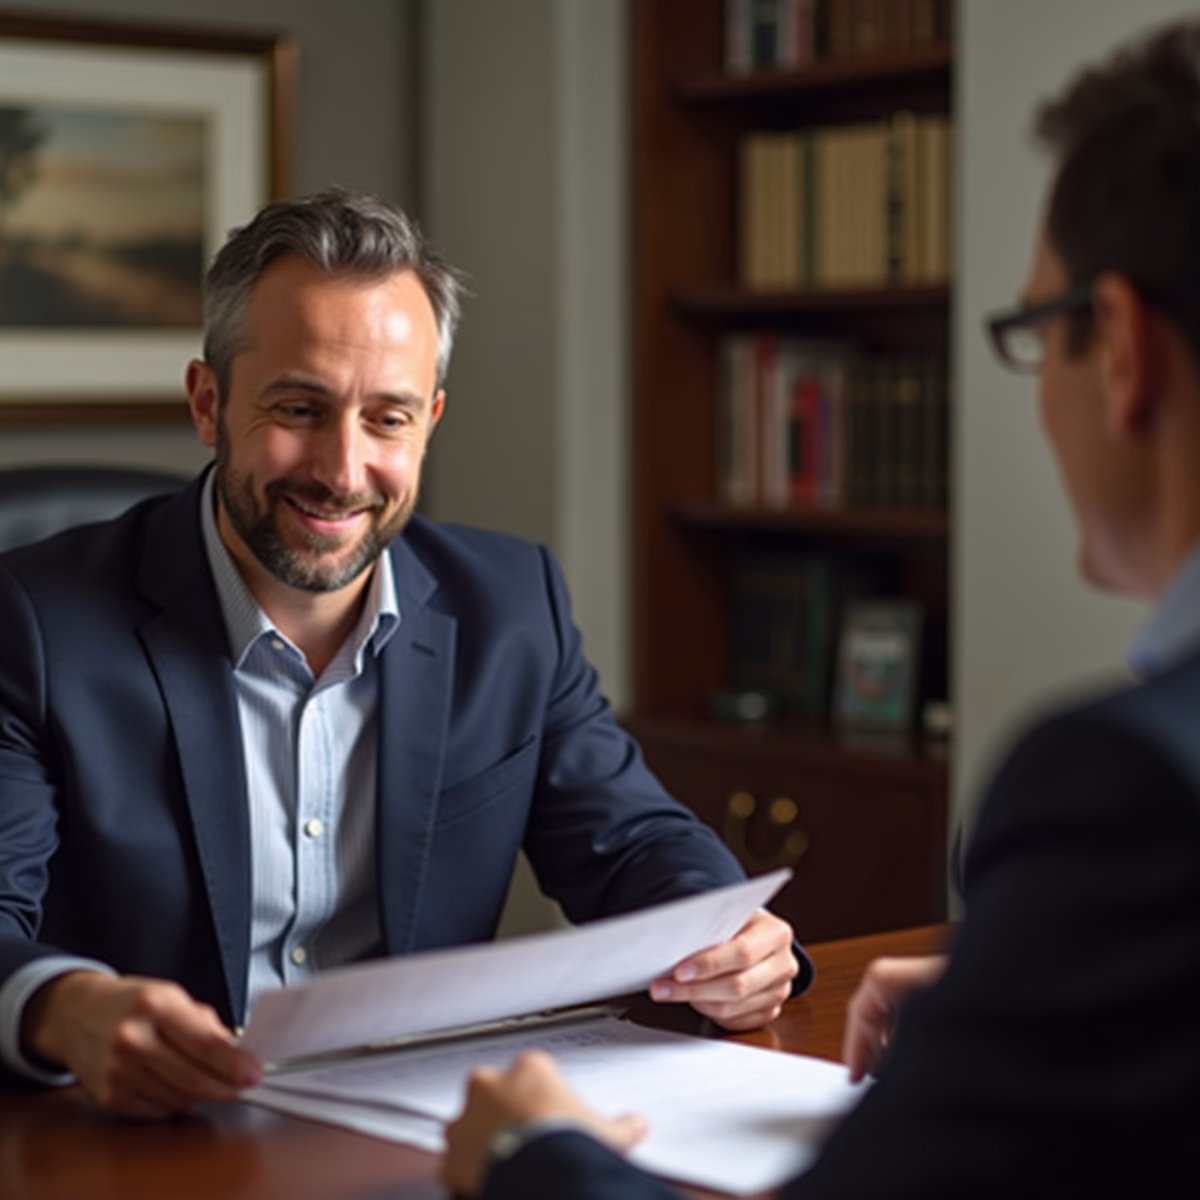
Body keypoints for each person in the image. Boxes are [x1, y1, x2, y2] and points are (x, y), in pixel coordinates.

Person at [441, 19, 1200, 1199]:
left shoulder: (1128, 786)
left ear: (1123, 349)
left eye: (1032, 333)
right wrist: (1026, 998)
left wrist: (535, 1156)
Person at [0, 189, 805, 1119]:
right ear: (208, 402)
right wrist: (65, 1007)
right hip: (148, 1137)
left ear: (430, 418)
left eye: (387, 418)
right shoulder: (36, 622)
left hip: (414, 1132)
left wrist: (732, 936)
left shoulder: (511, 606)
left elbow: (633, 842)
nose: (343, 470)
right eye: (300, 408)